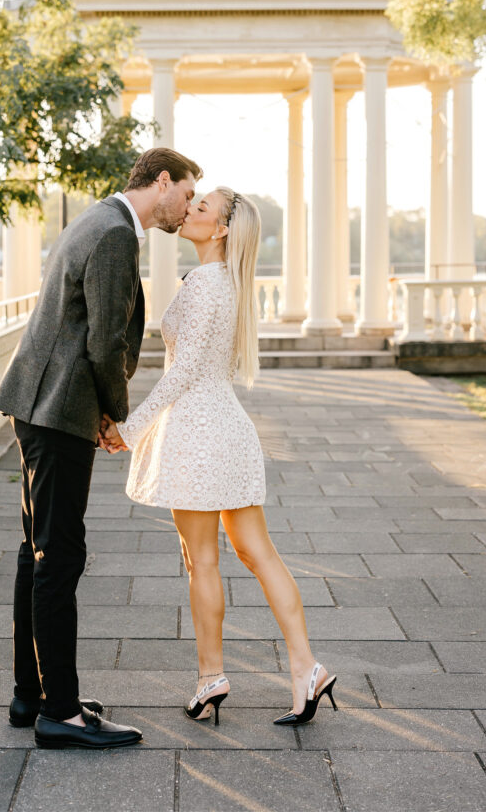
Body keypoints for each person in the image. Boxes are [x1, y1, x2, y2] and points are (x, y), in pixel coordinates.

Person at [101, 187, 337, 726]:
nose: (189, 211)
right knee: (258, 554)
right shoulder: (222, 282)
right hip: (221, 429)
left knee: (201, 560)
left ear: (222, 229)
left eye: (201, 208)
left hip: (201, 434)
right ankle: (306, 667)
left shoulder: (207, 284)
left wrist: (132, 428)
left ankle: (212, 676)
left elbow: (181, 374)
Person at [0, 147, 202, 749]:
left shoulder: (94, 218)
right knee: (59, 557)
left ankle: (31, 693)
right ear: (162, 181)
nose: (186, 208)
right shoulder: (115, 235)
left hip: (38, 405)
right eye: (186, 195)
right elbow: (105, 343)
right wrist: (119, 415)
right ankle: (60, 711)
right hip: (60, 410)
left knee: (36, 551)